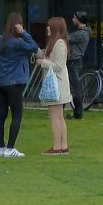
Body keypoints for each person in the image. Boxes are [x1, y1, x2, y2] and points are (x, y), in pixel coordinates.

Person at [0, 12, 39, 157]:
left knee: (1, 115)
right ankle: (10, 148)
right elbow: (34, 47)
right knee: (17, 115)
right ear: (17, 25)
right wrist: (24, 32)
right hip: (13, 83)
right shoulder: (17, 42)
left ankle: (1, 147)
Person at [36, 16, 73, 154]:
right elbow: (45, 54)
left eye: (49, 26)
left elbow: (58, 65)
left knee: (55, 116)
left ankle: (57, 147)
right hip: (57, 86)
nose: (47, 28)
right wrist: (34, 49)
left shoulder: (60, 44)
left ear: (56, 28)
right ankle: (63, 146)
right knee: (59, 116)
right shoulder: (55, 43)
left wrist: (42, 63)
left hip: (57, 86)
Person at [66, 11, 91, 120]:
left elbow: (67, 37)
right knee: (70, 87)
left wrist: (61, 29)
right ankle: (76, 113)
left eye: (74, 18)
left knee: (75, 89)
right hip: (73, 61)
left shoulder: (82, 33)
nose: (72, 19)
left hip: (74, 62)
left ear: (80, 20)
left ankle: (78, 114)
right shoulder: (81, 32)